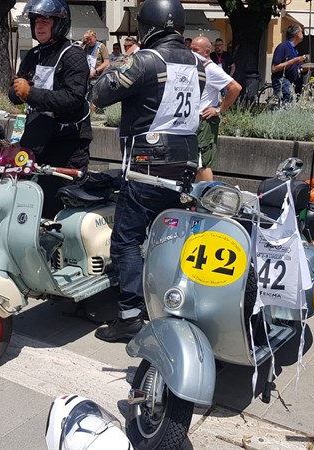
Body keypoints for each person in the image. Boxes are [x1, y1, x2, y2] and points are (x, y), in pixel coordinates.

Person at [90, 0, 205, 341]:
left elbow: (100, 93)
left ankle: (128, 316)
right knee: (170, 238)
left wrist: (119, 59)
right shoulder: (197, 63)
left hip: (146, 164)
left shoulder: (144, 60)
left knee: (127, 241)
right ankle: (171, 302)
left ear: (146, 27)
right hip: (184, 162)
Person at [8, 0, 91, 219]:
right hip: (37, 142)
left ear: (59, 24)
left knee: (65, 209)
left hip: (67, 145)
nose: (40, 27)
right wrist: (18, 91)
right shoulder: (34, 55)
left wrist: (30, 93)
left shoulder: (73, 54)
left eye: (45, 21)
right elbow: (15, 91)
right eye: (36, 22)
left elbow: (73, 97)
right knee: (33, 207)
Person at [190, 36, 242, 182]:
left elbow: (235, 88)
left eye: (195, 50)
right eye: (190, 49)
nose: (191, 52)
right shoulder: (196, 67)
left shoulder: (211, 69)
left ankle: (206, 200)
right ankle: (194, 197)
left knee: (203, 164)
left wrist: (219, 109)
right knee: (195, 163)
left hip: (204, 120)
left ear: (206, 52)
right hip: (193, 120)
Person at [271, 24, 306, 104]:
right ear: (297, 34)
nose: (303, 34)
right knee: (286, 103)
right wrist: (294, 60)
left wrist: (302, 70)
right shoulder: (283, 47)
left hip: (292, 82)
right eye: (302, 32)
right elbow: (274, 68)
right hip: (282, 80)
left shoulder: (293, 49)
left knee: (290, 104)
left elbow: (292, 68)